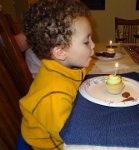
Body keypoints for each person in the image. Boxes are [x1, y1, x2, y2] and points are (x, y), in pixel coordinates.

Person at [19, 0, 95, 149]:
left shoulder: (59, 68)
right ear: (60, 52)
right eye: (86, 41)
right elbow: (72, 138)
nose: (93, 45)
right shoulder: (54, 94)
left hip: (60, 124)